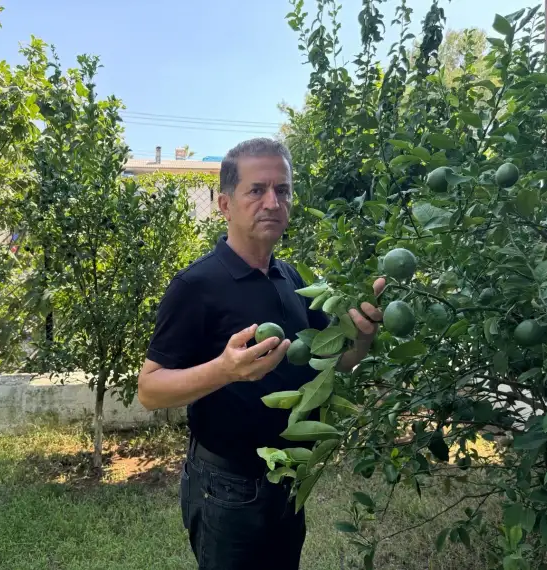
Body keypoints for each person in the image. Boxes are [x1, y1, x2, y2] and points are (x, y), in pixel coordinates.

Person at [137, 138, 385, 569]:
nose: (273, 201)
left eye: (283, 190)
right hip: (225, 487)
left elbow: (337, 360)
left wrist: (362, 334)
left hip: (288, 477)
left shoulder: (293, 281)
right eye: (257, 190)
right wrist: (224, 369)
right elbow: (150, 389)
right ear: (225, 204)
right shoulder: (196, 286)